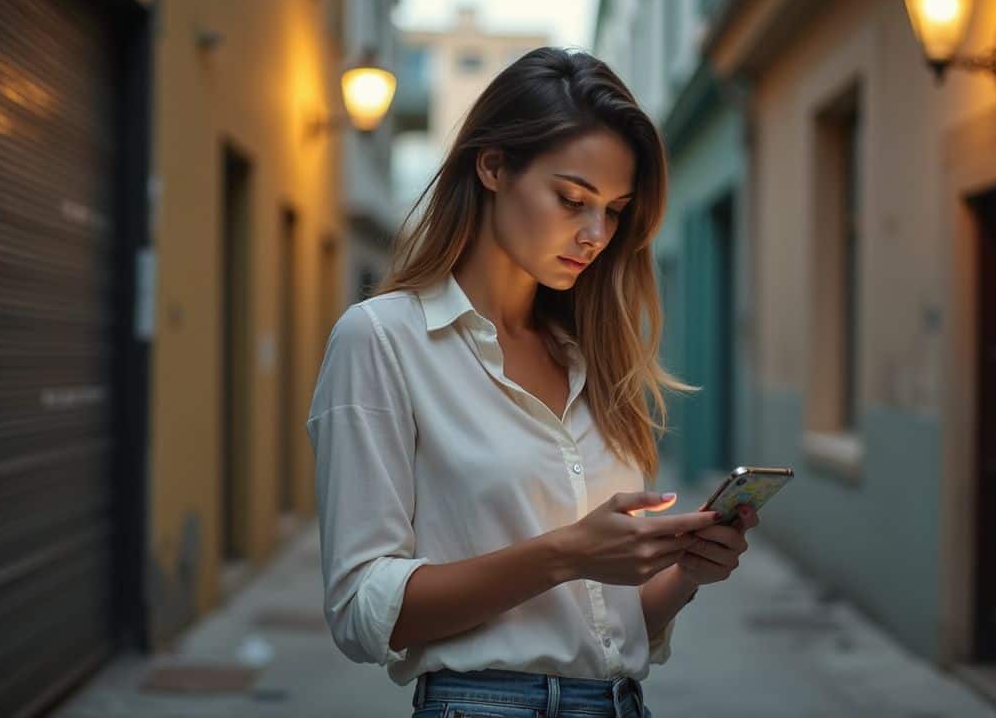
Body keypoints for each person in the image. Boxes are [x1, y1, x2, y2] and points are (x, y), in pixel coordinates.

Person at [306, 46, 759, 718]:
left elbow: (610, 627)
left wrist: (687, 572)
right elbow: (361, 609)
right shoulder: (382, 340)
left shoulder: (595, 358)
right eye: (572, 199)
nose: (595, 234)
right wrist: (567, 552)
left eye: (614, 209)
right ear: (492, 166)